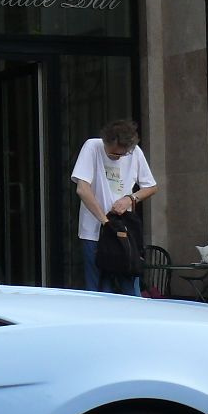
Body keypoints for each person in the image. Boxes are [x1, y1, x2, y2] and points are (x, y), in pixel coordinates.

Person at [71, 118, 158, 295]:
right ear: (105, 141)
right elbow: (82, 189)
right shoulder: (92, 147)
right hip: (95, 231)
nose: (116, 157)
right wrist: (105, 221)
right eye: (112, 154)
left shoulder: (135, 153)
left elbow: (151, 186)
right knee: (98, 288)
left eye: (120, 155)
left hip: (123, 229)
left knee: (129, 283)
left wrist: (130, 199)